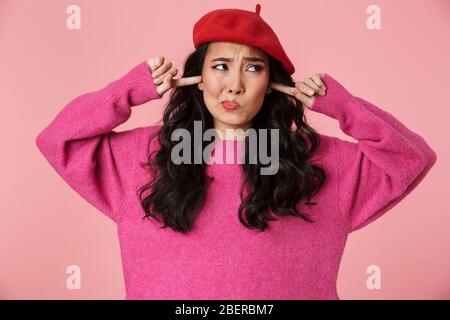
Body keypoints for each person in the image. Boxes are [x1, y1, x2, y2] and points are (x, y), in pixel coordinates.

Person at [35, 4, 437, 300]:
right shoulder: (144, 154)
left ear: (273, 83)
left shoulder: (320, 164)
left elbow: (411, 158)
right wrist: (126, 91)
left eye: (253, 68)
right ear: (197, 76)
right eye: (221, 65)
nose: (234, 86)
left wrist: (345, 107)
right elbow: (59, 140)